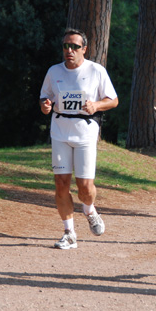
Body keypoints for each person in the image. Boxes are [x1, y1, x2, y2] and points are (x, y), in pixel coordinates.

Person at [40, 28, 118, 250]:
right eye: (66, 46)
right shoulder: (54, 71)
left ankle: (89, 209)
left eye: (74, 46)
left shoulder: (96, 70)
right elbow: (45, 98)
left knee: (84, 187)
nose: (69, 50)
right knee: (61, 184)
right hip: (60, 132)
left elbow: (113, 100)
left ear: (84, 49)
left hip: (85, 132)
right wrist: (45, 106)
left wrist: (96, 105)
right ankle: (69, 233)